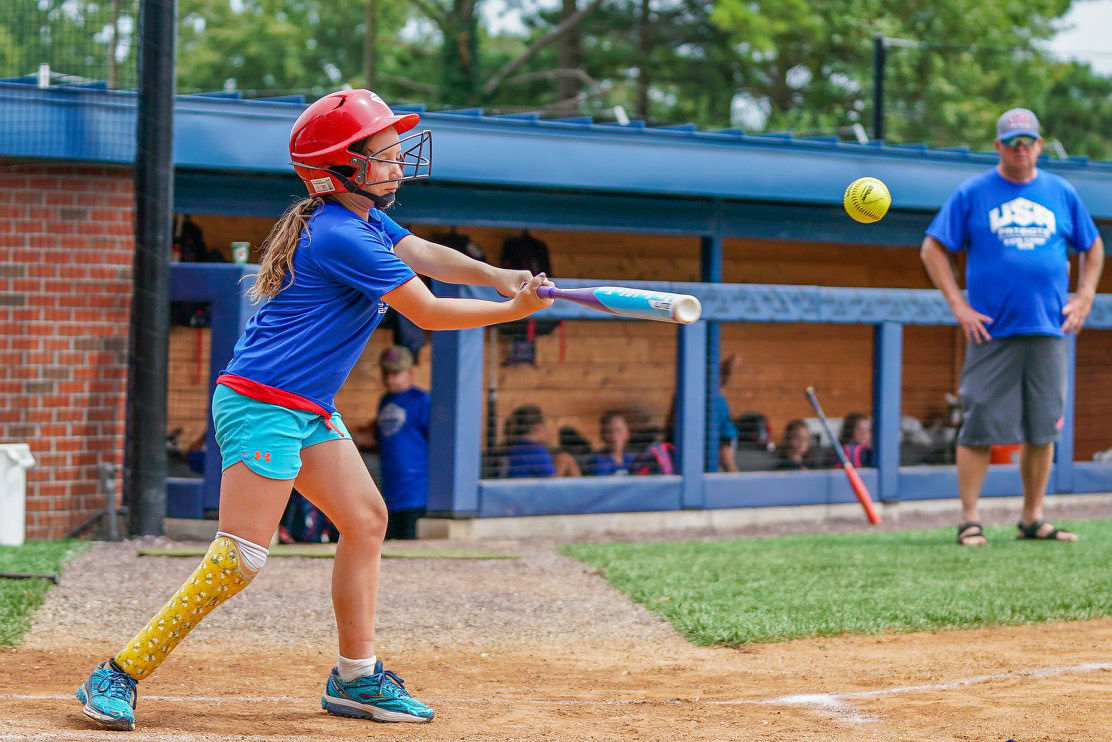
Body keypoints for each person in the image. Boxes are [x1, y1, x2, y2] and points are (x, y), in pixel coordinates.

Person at [74, 88, 553, 731]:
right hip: (261, 403)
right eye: (380, 155)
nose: (396, 164)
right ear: (339, 169)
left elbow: (425, 256)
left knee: (366, 519)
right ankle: (119, 673)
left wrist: (496, 273)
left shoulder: (365, 221)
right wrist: (509, 312)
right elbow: (429, 312)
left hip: (307, 406)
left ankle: (357, 678)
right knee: (239, 557)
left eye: (393, 152)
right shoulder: (339, 235)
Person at [920, 107, 1104, 547]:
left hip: (1048, 329)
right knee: (980, 422)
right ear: (998, 146)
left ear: (1039, 145)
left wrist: (1085, 297)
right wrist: (958, 305)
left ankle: (1032, 518)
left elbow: (1093, 247)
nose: (1020, 150)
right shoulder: (973, 192)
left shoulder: (1061, 192)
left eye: (1027, 142)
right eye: (1011, 143)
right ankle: (970, 520)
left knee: (1043, 428)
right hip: (992, 331)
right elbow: (932, 249)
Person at [374, 346, 429, 541]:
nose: (390, 379)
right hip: (390, 484)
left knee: (409, 538)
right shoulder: (384, 400)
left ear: (411, 373)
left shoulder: (422, 400)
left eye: (396, 373)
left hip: (416, 486)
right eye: (386, 373)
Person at [501, 404, 580, 477]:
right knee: (565, 459)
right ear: (538, 427)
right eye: (544, 425)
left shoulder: (509, 447)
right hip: (528, 491)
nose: (546, 430)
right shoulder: (536, 450)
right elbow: (548, 485)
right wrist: (562, 465)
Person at [713, 354, 741, 472]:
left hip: (726, 436)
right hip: (716, 435)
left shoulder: (719, 393)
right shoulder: (713, 394)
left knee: (728, 463)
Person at [588, 411, 635, 475]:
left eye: (618, 430)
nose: (614, 436)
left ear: (627, 434)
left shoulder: (632, 460)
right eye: (609, 432)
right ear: (602, 435)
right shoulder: (598, 462)